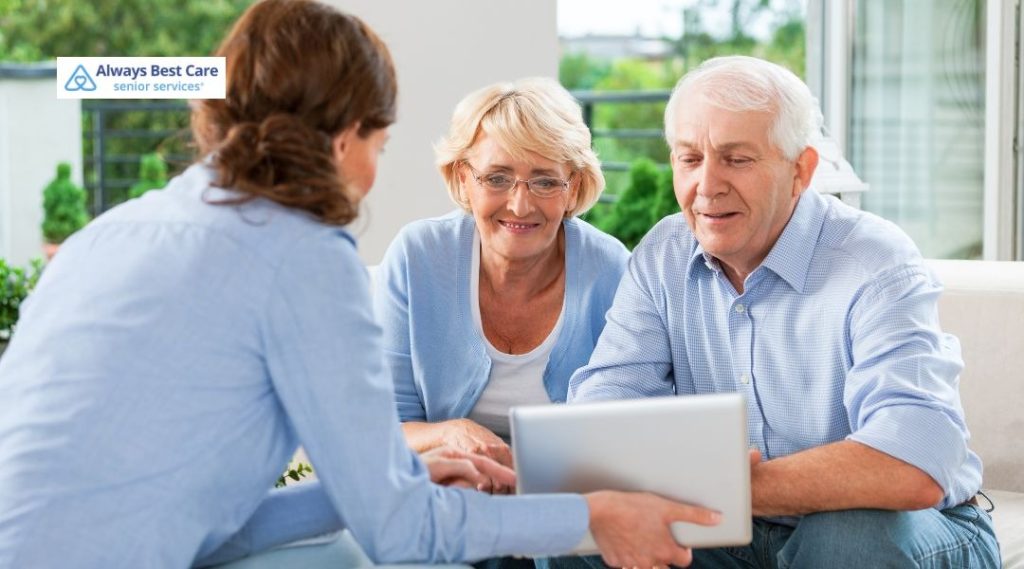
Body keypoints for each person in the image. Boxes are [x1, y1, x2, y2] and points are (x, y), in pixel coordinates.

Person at [0, 1, 722, 568]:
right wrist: (594, 515)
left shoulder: (112, 232)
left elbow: (211, 526)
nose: (372, 172)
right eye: (378, 145)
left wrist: (396, 468)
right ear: (344, 137)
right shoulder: (302, 255)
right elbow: (401, 530)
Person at [555, 55, 1001, 568]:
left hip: (903, 527)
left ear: (800, 170)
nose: (707, 185)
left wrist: (725, 485)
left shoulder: (874, 262)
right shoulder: (664, 253)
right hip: (731, 532)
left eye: (736, 159)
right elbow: (605, 407)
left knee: (845, 539)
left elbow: (916, 459)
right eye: (689, 158)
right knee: (579, 530)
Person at [375, 78, 628, 477]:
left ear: (573, 185)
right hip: (452, 494)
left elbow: (629, 426)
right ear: (463, 178)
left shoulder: (611, 269)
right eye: (496, 178)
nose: (520, 204)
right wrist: (451, 433)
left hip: (575, 496)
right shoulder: (417, 256)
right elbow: (387, 426)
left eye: (545, 181)